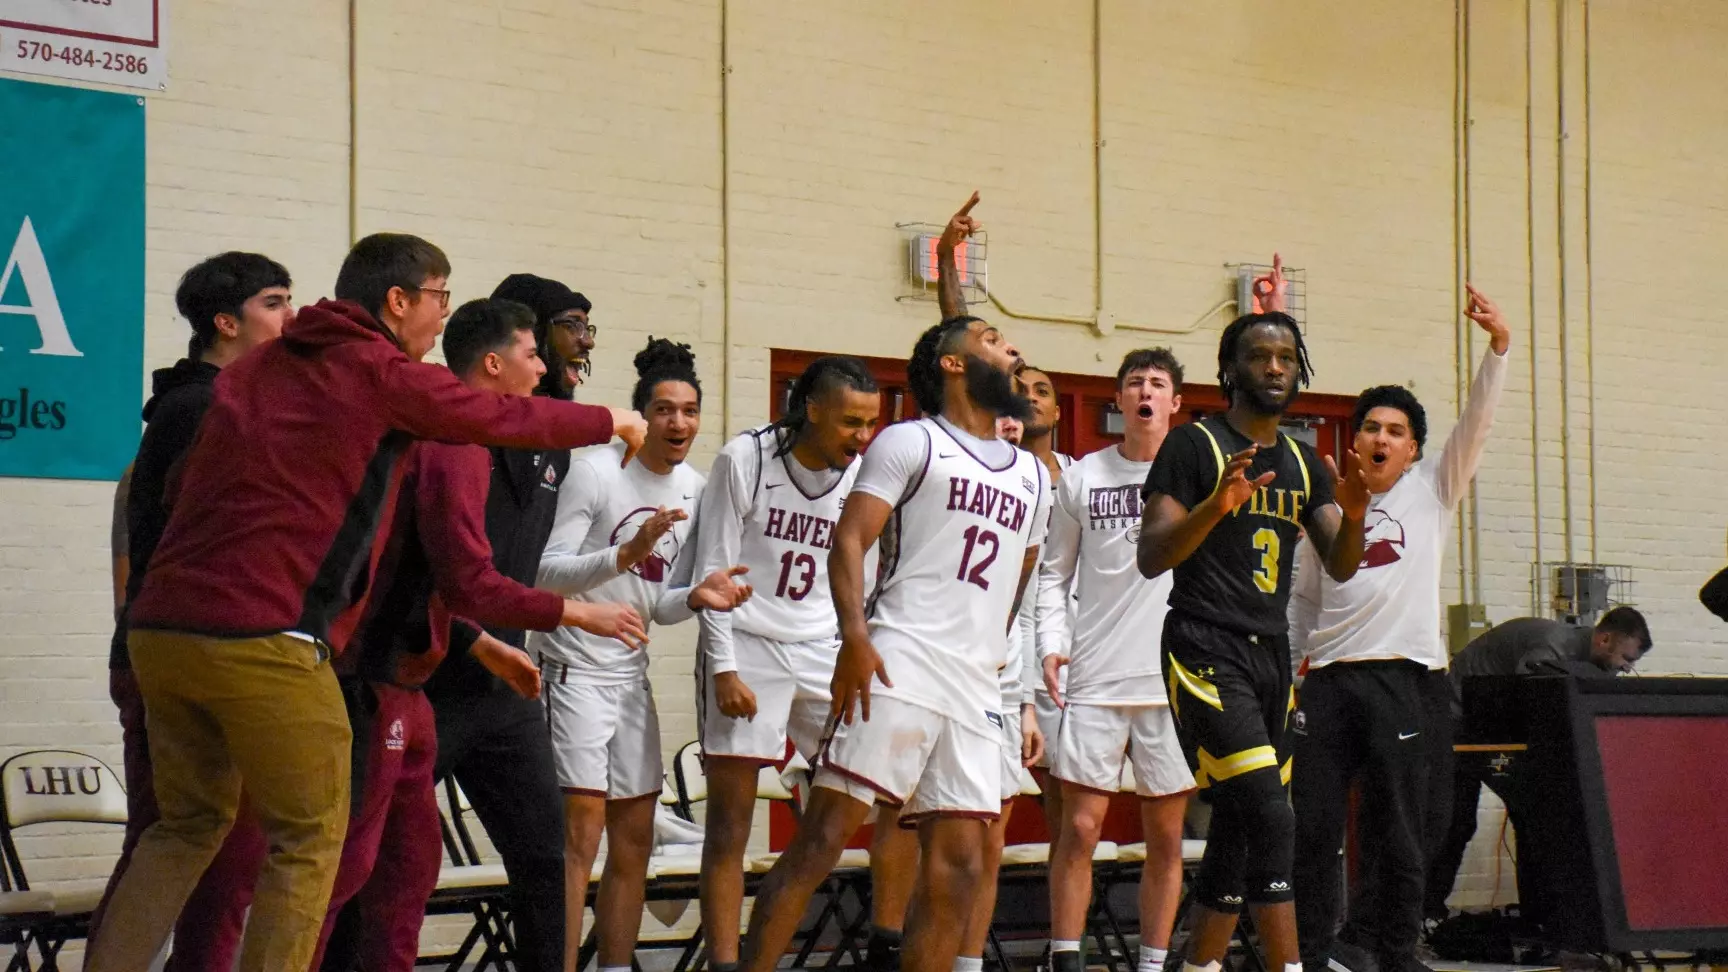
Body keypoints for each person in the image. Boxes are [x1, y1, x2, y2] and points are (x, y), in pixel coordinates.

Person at [87, 233, 647, 972]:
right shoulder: (377, 370)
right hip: (272, 640)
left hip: (161, 632)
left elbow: (179, 491)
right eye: (441, 297)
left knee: (185, 830)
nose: (444, 315)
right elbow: (495, 422)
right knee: (312, 840)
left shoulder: (257, 372)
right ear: (399, 300)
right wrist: (612, 420)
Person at [308, 298, 659, 971]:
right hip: (404, 674)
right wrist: (575, 615)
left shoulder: (547, 451)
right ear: (495, 362)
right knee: (355, 862)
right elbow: (458, 578)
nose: (555, 360)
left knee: (499, 856)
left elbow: (494, 569)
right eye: (539, 349)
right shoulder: (442, 439)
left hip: (492, 681)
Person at [740, 309, 1048, 972]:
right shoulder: (911, 443)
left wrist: (997, 660)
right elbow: (849, 538)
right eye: (993, 340)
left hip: (973, 683)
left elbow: (1020, 574)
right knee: (821, 839)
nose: (1013, 348)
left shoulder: (1032, 474)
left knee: (960, 865)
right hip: (899, 658)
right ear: (953, 363)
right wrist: (854, 635)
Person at [1137, 257, 1369, 972]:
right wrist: (1216, 506)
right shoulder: (1193, 445)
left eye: (1284, 357)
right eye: (1258, 356)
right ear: (1230, 370)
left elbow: (1341, 562)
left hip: (1274, 657)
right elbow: (1152, 556)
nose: (1274, 367)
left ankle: (1197, 965)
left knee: (1241, 829)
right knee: (1273, 816)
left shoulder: (1304, 463)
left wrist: (1356, 511)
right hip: (1205, 646)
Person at [1287, 285, 1510, 972]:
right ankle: (1312, 950)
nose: (1381, 438)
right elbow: (1302, 602)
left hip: (1405, 678)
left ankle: (1391, 948)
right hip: (1326, 680)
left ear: (1413, 450)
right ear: (1353, 440)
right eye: (1371, 428)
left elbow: (1476, 421)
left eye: (1395, 431)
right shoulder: (1320, 508)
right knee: (1315, 827)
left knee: (1403, 830)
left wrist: (1499, 348)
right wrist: (1290, 682)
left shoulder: (1434, 491)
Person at [90, 252, 293, 965]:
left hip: (204, 649)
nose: (290, 317)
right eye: (275, 302)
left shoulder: (215, 403)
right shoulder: (201, 408)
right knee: (169, 840)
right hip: (180, 653)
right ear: (225, 322)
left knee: (225, 853)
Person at [532, 337, 752, 972]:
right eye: (662, 409)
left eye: (688, 410)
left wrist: (700, 597)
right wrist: (624, 556)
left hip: (632, 677)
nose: (677, 422)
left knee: (633, 841)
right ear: (641, 415)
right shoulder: (596, 469)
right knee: (580, 838)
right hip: (570, 668)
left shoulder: (698, 488)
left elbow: (659, 603)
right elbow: (543, 573)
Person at [419, 272, 600, 972]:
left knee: (543, 853)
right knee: (369, 855)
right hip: (429, 672)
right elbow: (438, 571)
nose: (581, 344)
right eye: (570, 326)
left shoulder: (550, 438)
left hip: (507, 688)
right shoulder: (443, 431)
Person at [691, 354, 890, 972]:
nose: (863, 437)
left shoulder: (865, 477)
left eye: (871, 424)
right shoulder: (744, 459)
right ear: (811, 409)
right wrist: (722, 667)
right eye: (851, 422)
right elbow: (713, 573)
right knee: (728, 827)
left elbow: (869, 578)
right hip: (747, 644)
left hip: (821, 648)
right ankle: (725, 964)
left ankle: (839, 925)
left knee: (879, 788)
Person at [1040, 348, 1195, 972]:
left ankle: (1153, 963)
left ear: (1176, 402)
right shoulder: (1082, 477)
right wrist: (1052, 644)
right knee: (1078, 829)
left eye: (1158, 383)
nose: (1146, 392)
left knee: (1164, 837)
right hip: (1096, 674)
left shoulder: (1197, 474)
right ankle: (1066, 958)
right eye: (1135, 382)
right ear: (1120, 400)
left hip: (1171, 679)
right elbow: (1053, 575)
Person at [1425, 607, 1651, 928]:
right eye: (1626, 659)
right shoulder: (1551, 645)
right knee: (1455, 821)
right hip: (1457, 720)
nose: (1627, 669)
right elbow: (1530, 694)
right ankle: (1427, 911)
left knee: (1532, 818)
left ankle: (1540, 916)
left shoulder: (1584, 658)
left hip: (1492, 723)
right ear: (1603, 639)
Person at [950, 412, 1048, 972]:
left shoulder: (1031, 490)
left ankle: (969, 964)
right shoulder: (942, 472)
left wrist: (1028, 705)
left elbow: (1030, 612)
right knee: (942, 844)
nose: (1010, 425)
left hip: (1005, 694)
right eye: (999, 413)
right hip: (945, 680)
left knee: (989, 847)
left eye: (1018, 416)